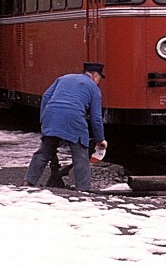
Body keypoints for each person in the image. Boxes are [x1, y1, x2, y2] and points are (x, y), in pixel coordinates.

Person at [23, 62, 107, 191]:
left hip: (51, 115)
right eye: (99, 79)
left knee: (43, 152)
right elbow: (96, 117)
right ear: (95, 76)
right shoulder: (94, 88)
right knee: (80, 155)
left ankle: (28, 182)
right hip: (74, 119)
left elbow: (46, 97)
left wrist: (43, 121)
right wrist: (100, 139)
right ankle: (83, 190)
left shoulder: (63, 78)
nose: (98, 82)